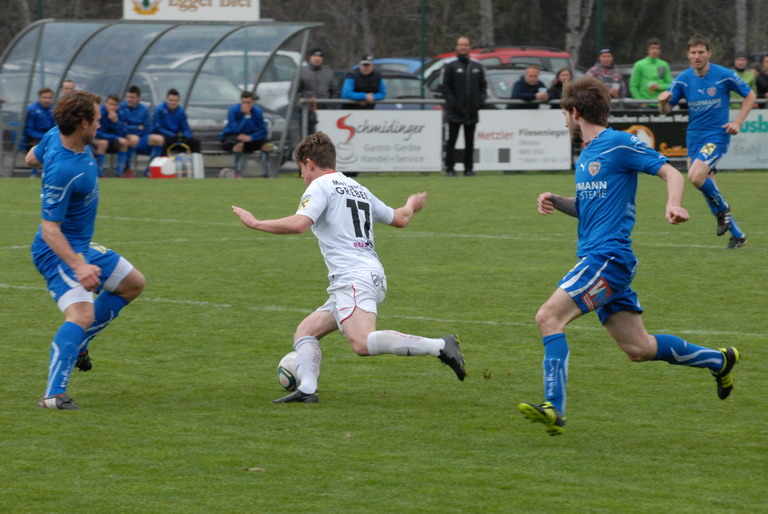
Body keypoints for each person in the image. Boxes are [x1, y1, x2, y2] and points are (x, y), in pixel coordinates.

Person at [518, 77, 740, 436]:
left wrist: (673, 204)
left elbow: (671, 172)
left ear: (575, 112)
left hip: (607, 259)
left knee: (548, 317)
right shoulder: (587, 155)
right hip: (603, 260)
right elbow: (589, 209)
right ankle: (720, 360)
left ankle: (553, 408)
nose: (565, 122)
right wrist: (557, 201)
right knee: (639, 348)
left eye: (564, 115)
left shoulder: (618, 142)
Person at [231, 132, 466, 403]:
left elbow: (299, 224)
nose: (301, 176)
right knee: (305, 332)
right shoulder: (357, 188)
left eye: (301, 169)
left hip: (353, 276)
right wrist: (411, 204)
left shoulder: (319, 186)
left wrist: (256, 223)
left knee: (362, 343)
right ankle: (307, 389)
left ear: (309, 163)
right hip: (367, 274)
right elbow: (400, 218)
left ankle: (440, 346)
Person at [29, 90, 145, 410]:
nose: (100, 123)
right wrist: (79, 266)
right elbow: (49, 230)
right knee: (82, 314)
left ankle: (79, 342)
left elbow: (30, 158)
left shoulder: (55, 135)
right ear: (82, 123)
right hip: (58, 250)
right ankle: (54, 395)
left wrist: (43, 158)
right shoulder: (65, 170)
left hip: (82, 245)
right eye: (97, 119)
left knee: (133, 283)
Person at [658, 34, 756, 249]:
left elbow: (750, 95)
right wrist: (663, 102)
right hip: (694, 137)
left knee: (695, 176)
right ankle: (738, 236)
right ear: (688, 55)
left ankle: (723, 209)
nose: (697, 56)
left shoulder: (724, 75)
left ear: (709, 53)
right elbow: (665, 110)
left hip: (716, 136)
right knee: (707, 187)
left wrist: (738, 122)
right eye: (693, 52)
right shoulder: (683, 78)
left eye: (701, 52)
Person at [440, 35, 487, 177]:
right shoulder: (450, 65)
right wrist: (452, 103)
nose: (463, 47)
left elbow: (483, 87)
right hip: (454, 111)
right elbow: (445, 87)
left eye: (465, 45)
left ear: (469, 47)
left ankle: (469, 169)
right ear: (456, 47)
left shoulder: (477, 66)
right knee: (452, 141)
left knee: (470, 142)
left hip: (471, 111)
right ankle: (450, 168)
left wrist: (479, 102)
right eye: (461, 45)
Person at [220, 90, 271, 178]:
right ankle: (238, 172)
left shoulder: (257, 111)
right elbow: (235, 130)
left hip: (249, 137)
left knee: (267, 145)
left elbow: (263, 131)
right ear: (241, 101)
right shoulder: (233, 110)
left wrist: (251, 137)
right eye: (244, 102)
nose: (246, 105)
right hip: (232, 136)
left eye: (248, 102)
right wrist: (246, 116)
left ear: (253, 102)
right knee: (239, 143)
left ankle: (266, 173)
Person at [119, 85, 164, 177]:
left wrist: (135, 128)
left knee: (159, 139)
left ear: (138, 98)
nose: (129, 99)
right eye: (128, 97)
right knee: (134, 139)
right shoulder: (121, 107)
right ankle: (127, 169)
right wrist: (136, 127)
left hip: (142, 136)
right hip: (127, 136)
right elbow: (121, 126)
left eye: (132, 97)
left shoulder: (144, 109)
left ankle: (150, 170)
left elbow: (148, 127)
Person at [297, 48, 338, 134]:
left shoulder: (329, 73)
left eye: (319, 56)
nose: (317, 58)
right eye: (314, 56)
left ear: (322, 59)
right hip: (306, 112)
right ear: (310, 57)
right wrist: (301, 106)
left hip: (325, 112)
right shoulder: (302, 72)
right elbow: (294, 93)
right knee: (307, 136)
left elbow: (335, 92)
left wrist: (330, 107)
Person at [153, 88, 201, 155]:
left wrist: (186, 136)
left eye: (175, 101)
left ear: (178, 101)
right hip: (164, 136)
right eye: (171, 100)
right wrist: (171, 135)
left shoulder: (181, 111)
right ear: (166, 100)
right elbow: (157, 128)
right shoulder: (159, 110)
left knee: (195, 140)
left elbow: (185, 127)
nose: (173, 103)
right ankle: (163, 160)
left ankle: (195, 160)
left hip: (176, 137)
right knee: (162, 140)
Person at [93, 94, 130, 177]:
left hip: (113, 140)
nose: (112, 107)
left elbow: (124, 133)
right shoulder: (100, 112)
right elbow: (98, 133)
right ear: (106, 103)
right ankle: (99, 172)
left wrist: (116, 122)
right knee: (104, 143)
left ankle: (119, 172)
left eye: (115, 105)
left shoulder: (121, 113)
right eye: (110, 104)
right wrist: (116, 138)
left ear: (118, 106)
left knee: (124, 143)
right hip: (98, 139)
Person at [22, 87, 56, 177]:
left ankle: (52, 172)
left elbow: (56, 126)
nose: (47, 100)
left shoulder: (54, 109)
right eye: (44, 97)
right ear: (39, 98)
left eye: (49, 98)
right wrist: (45, 137)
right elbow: (29, 130)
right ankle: (34, 173)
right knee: (38, 145)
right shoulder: (32, 109)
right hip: (35, 138)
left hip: (50, 136)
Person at [629, 38, 672, 106]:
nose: (655, 51)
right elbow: (633, 86)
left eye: (658, 48)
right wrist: (640, 101)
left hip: (661, 103)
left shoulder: (664, 64)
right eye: (653, 48)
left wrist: (659, 86)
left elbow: (670, 84)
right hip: (646, 104)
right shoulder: (639, 65)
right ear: (647, 50)